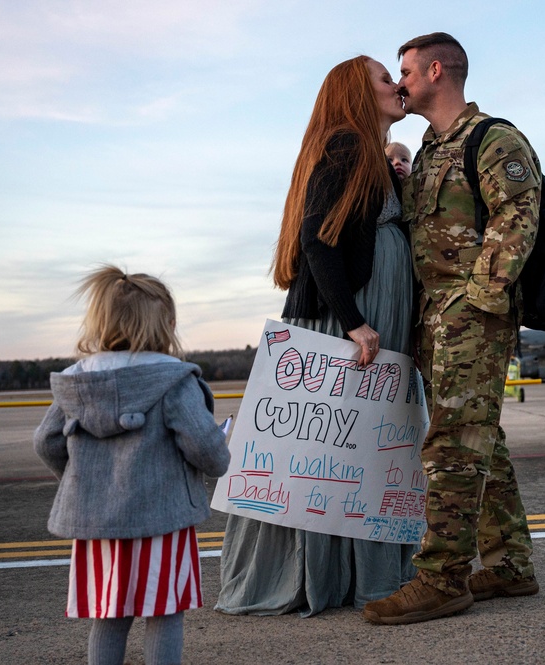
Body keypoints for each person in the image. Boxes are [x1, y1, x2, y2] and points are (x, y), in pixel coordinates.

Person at [215, 55, 417, 616]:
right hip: (346, 322)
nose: (397, 85)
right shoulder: (346, 145)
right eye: (385, 78)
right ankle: (318, 574)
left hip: (367, 315)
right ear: (356, 92)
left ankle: (352, 573)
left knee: (358, 446)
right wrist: (352, 319)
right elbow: (317, 240)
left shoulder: (368, 154)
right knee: (331, 450)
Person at [363, 32, 540, 625]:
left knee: (452, 446)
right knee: (478, 439)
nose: (400, 83)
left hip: (470, 319)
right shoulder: (429, 149)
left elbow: (518, 216)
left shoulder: (492, 139)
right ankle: (511, 565)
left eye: (406, 72)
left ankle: (442, 577)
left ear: (436, 71)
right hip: (433, 320)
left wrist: (478, 300)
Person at [33, 265, 231, 665]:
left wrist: (81, 481)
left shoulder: (78, 381)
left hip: (97, 523)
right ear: (167, 324)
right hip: (163, 519)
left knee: (109, 616)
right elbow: (205, 447)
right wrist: (221, 454)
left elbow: (46, 441)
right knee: (164, 614)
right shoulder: (173, 380)